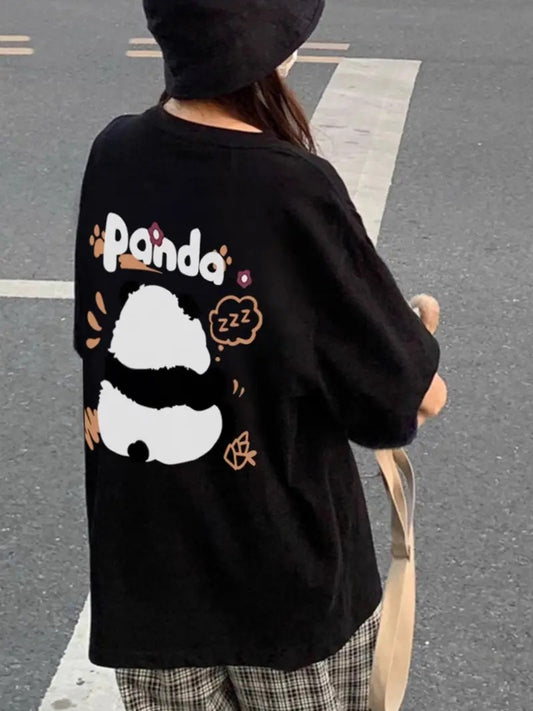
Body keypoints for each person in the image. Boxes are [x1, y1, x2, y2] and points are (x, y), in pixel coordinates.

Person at [73, 0, 447, 708]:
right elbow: (408, 399)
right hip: (285, 588)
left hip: (147, 582)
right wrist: (412, 330)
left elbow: (97, 336)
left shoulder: (114, 153)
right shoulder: (292, 185)